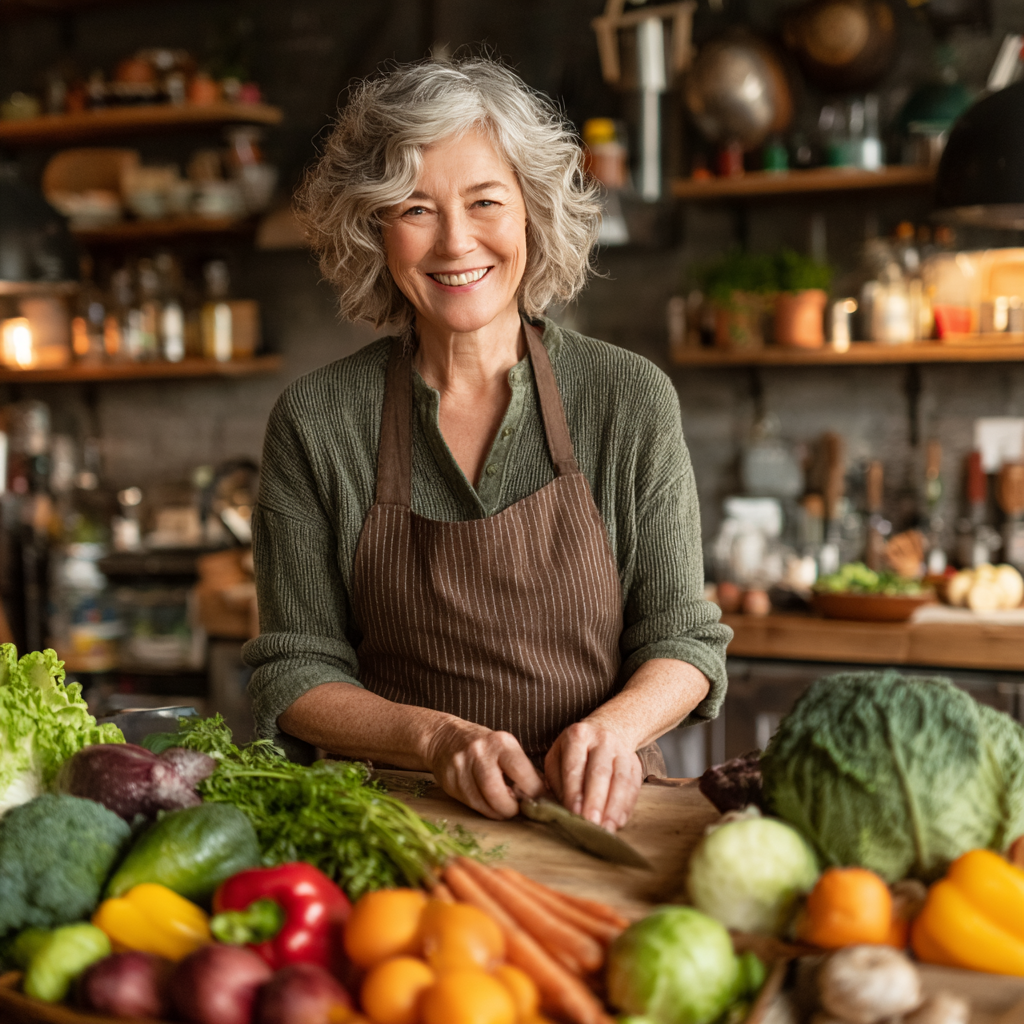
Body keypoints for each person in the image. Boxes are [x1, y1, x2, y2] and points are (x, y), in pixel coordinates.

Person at [244, 57, 731, 833]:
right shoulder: (317, 419)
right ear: (373, 228)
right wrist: (433, 737)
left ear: (532, 213)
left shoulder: (628, 398)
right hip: (396, 829)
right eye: (414, 210)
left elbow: (683, 639)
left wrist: (614, 731)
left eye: (485, 201)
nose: (455, 242)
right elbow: (294, 668)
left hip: (599, 817)